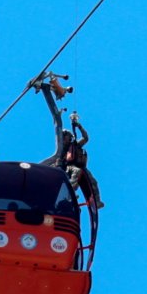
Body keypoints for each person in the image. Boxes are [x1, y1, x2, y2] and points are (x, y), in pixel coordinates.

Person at [35, 75, 104, 210]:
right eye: (66, 136)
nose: (67, 138)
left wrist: (78, 126)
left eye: (68, 136)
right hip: (69, 167)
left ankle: (97, 200)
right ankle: (69, 192)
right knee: (76, 173)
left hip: (79, 166)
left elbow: (86, 138)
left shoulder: (75, 145)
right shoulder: (63, 150)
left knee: (92, 180)